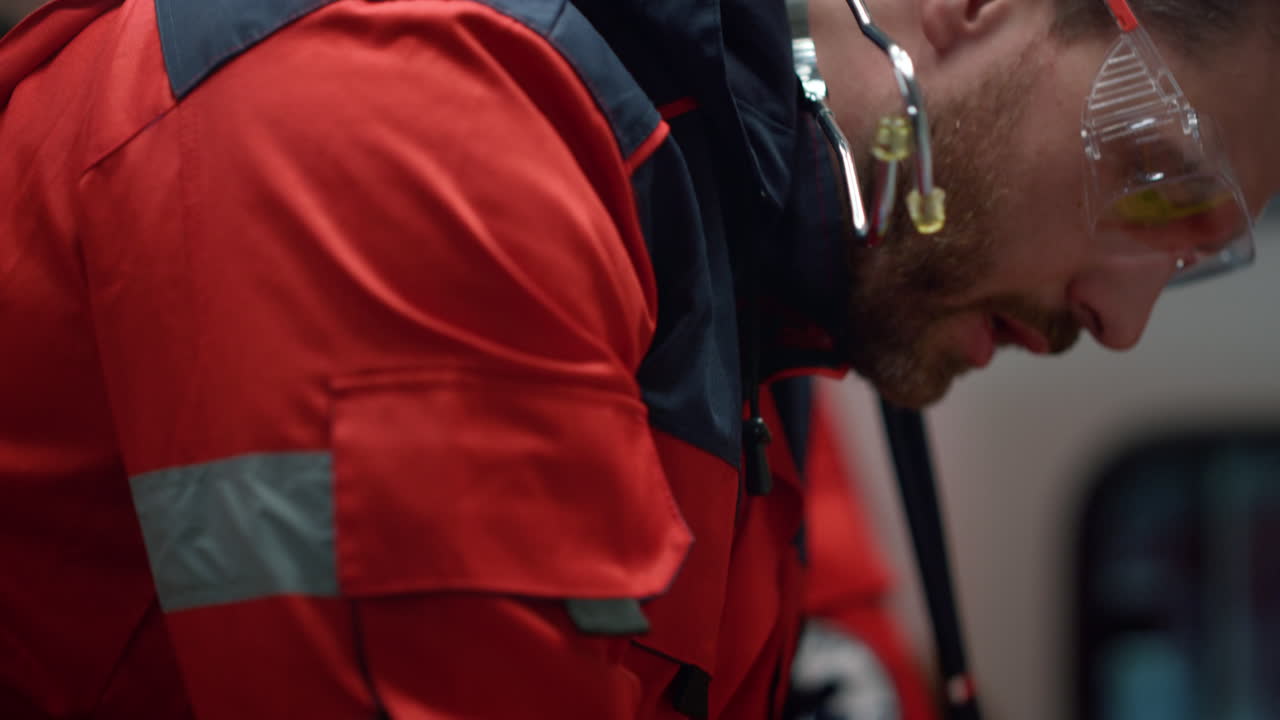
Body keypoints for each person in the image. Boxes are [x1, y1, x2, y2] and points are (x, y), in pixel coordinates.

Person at [0, 0, 1275, 717]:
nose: (1121, 319)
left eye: (1197, 257)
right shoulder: (418, 122)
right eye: (1161, 187)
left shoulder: (727, 262)